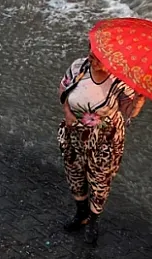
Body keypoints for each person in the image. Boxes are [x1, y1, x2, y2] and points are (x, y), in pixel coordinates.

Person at [57, 48, 146, 244]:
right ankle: (81, 215)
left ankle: (93, 221)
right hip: (74, 135)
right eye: (92, 53)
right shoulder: (79, 66)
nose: (92, 57)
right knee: (75, 175)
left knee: (99, 182)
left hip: (104, 140)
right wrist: (67, 112)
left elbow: (128, 111)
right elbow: (63, 89)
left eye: (99, 57)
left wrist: (139, 100)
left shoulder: (122, 80)